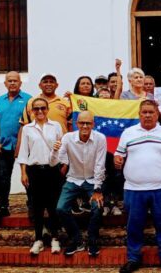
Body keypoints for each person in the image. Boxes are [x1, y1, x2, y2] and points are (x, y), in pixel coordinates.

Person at [114, 100, 161, 273]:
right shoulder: (128, 133)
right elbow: (118, 155)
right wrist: (117, 160)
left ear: (157, 114)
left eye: (151, 112)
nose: (148, 115)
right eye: (144, 112)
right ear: (139, 114)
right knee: (134, 226)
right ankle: (133, 258)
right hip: (134, 189)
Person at [52, 110, 106, 257]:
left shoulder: (100, 138)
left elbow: (100, 165)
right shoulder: (68, 138)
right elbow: (57, 161)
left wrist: (98, 189)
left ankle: (93, 240)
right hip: (73, 179)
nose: (85, 126)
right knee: (61, 208)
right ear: (77, 124)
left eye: (88, 123)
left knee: (97, 207)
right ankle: (77, 240)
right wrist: (55, 151)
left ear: (93, 124)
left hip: (92, 180)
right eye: (82, 123)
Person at [17, 97, 64, 255]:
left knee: (53, 206)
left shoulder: (55, 126)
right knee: (36, 207)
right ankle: (38, 239)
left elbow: (62, 147)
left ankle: (55, 238)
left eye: (43, 108)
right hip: (34, 170)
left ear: (47, 109)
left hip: (52, 170)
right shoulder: (28, 128)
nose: (40, 111)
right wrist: (23, 172)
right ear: (31, 111)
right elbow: (24, 152)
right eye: (36, 109)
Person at [0, 71, 32, 224]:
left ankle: (32, 205)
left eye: (15, 80)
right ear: (5, 83)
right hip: (4, 146)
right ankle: (3, 206)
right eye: (10, 80)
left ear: (20, 83)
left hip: (25, 146)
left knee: (28, 177)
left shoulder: (29, 100)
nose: (12, 83)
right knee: (3, 177)